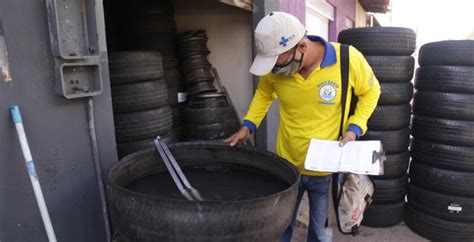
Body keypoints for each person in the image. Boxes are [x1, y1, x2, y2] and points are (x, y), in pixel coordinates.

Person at [224, 11, 381, 242]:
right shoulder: (276, 70)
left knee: (319, 232)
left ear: (301, 47)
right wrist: (248, 126)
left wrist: (354, 128)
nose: (275, 70)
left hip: (325, 171)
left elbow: (371, 92)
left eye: (278, 62)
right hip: (287, 166)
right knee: (280, 226)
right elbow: (264, 95)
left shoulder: (347, 59)